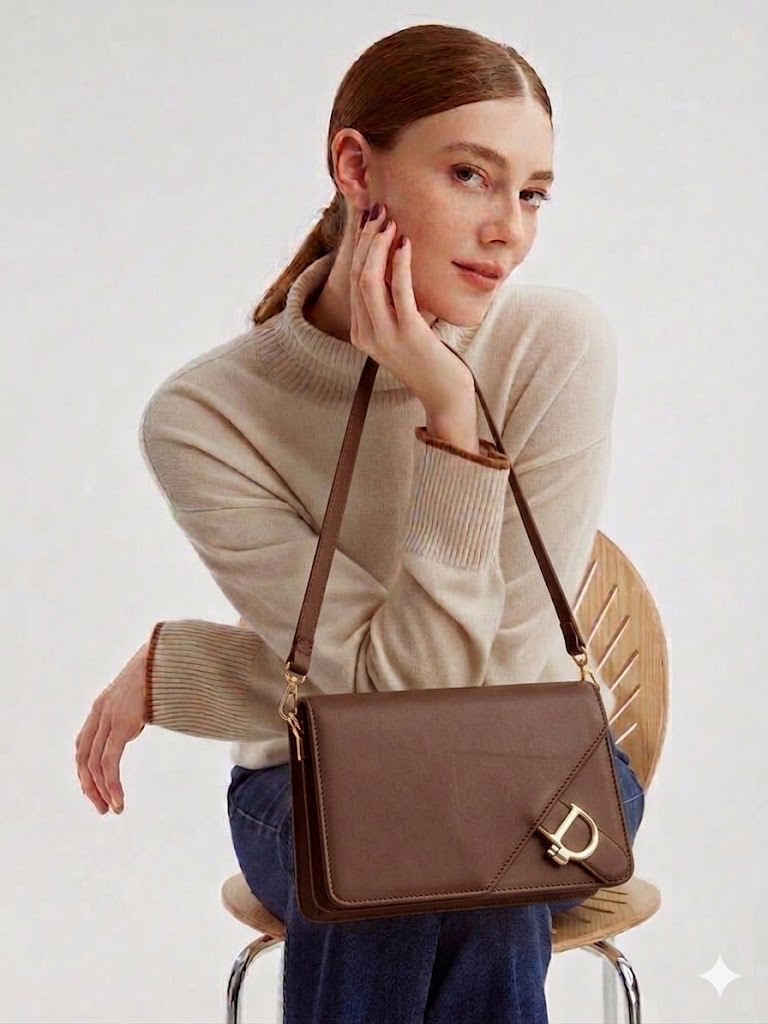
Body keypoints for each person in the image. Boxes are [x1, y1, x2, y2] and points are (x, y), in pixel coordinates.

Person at [74, 22, 646, 1024]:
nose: (509, 230)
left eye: (532, 194)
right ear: (354, 167)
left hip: (546, 779)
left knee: (434, 858)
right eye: (470, 175)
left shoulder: (554, 346)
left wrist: (449, 406)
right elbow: (396, 703)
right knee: (426, 867)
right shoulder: (209, 417)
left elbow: (491, 692)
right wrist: (451, 423)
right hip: (307, 785)